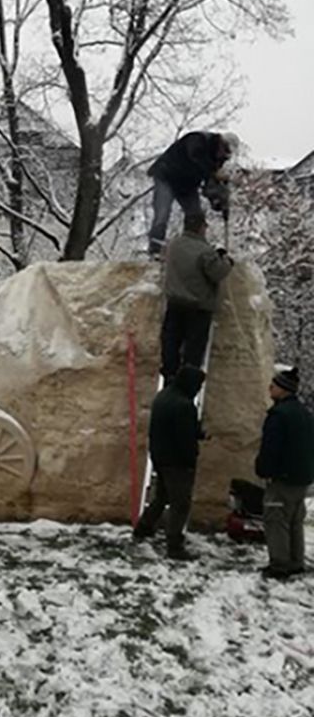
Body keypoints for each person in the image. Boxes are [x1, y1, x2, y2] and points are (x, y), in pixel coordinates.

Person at [134, 365, 206, 561]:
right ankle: (175, 545)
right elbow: (184, 438)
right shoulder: (184, 405)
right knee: (180, 503)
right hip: (177, 462)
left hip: (160, 456)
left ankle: (143, 527)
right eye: (198, 385)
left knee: (162, 496)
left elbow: (171, 426)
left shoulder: (163, 396)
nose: (199, 389)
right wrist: (191, 460)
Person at [160, 212, 234, 381]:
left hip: (175, 304)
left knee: (171, 342)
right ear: (201, 228)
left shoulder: (174, 245)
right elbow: (217, 273)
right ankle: (187, 382)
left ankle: (169, 374)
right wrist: (226, 262)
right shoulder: (204, 250)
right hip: (197, 307)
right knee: (193, 350)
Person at [254, 368, 314, 579]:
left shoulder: (279, 415)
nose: (270, 387)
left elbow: (271, 448)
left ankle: (279, 564)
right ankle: (296, 562)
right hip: (302, 479)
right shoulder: (304, 413)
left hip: (283, 479)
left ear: (284, 390)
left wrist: (263, 469)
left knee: (276, 519)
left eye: (275, 385)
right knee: (294, 520)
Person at [147, 131, 238, 257]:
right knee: (162, 212)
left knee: (196, 216)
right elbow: (195, 155)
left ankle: (190, 250)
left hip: (187, 185)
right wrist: (213, 171)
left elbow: (210, 185)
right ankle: (155, 249)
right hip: (167, 176)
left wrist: (218, 201)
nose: (223, 154)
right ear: (220, 142)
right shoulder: (199, 139)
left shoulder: (218, 161)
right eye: (224, 149)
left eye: (227, 154)